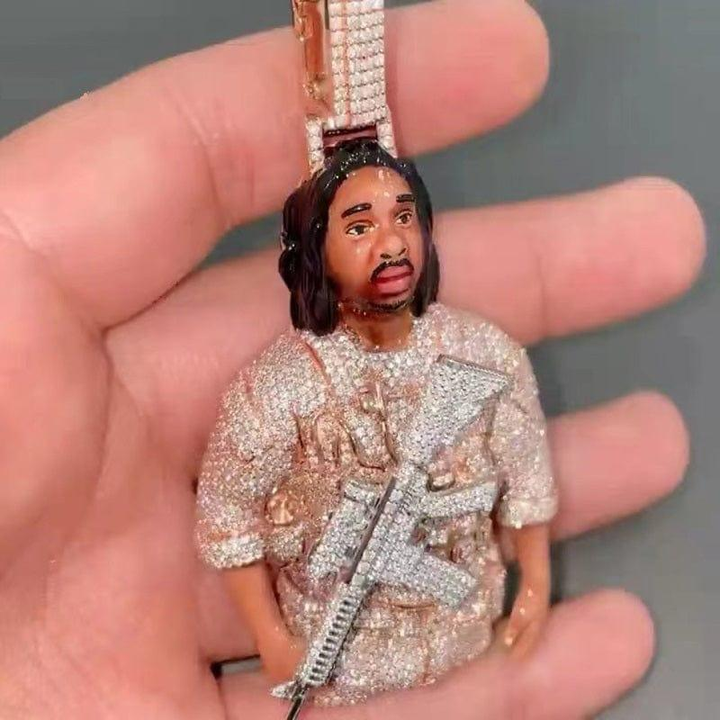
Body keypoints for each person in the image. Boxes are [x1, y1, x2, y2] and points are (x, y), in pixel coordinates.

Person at [0, 0, 704, 718]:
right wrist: (272, 637)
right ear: (317, 251)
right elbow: (229, 519)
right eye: (359, 226)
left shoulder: (483, 355)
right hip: (336, 648)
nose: (391, 244)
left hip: (465, 622)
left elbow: (523, 473)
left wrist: (534, 584)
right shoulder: (277, 390)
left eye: (403, 218)